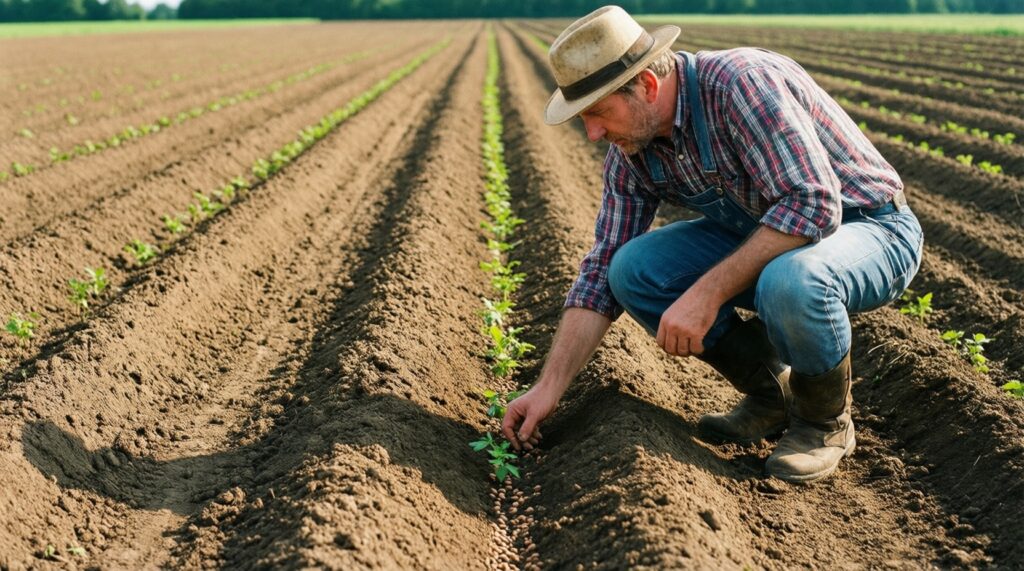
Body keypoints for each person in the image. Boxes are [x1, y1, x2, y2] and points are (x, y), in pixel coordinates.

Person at [500, 5, 924, 483]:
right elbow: (599, 271)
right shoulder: (634, 150)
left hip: (870, 226)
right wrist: (548, 388)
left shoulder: (741, 85)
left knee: (792, 280)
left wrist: (706, 294)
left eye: (598, 113)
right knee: (629, 269)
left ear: (648, 87)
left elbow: (814, 206)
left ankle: (824, 423)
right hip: (765, 229)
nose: (593, 133)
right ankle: (772, 397)